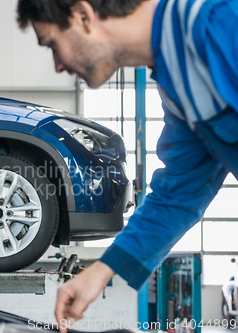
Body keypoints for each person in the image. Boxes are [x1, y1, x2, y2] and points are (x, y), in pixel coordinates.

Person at [16, 0, 238, 330]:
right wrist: (101, 271)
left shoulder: (219, 22)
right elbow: (176, 194)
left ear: (82, 15)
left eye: (52, 44)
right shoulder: (177, 81)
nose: (57, 66)